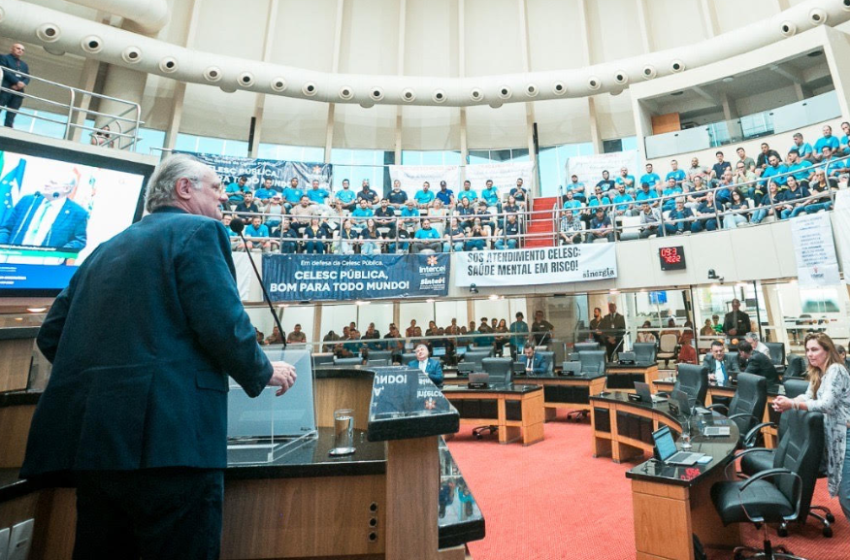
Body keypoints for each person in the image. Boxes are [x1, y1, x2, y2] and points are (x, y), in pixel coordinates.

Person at [19, 155, 296, 559]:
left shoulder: (104, 248)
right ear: (185, 189)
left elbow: (52, 335)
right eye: (216, 188)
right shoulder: (200, 232)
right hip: (172, 440)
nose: (224, 198)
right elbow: (221, 320)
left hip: (96, 445)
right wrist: (263, 368)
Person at [772, 332, 850, 523]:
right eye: (807, 350)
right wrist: (787, 401)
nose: (810, 354)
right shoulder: (819, 373)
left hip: (846, 437)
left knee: (847, 494)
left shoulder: (836, 370)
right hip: (834, 438)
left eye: (815, 349)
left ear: (827, 350)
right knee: (844, 492)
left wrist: (793, 405)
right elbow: (808, 396)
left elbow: (826, 405)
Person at [0, 171, 89, 251]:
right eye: (47, 181)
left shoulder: (77, 213)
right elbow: (6, 228)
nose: (46, 184)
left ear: (66, 188)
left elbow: (79, 241)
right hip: (12, 258)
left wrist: (57, 252)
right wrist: (3, 248)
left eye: (52, 183)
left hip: (47, 264)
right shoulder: (28, 201)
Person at [0, 43, 30, 128]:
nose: (20, 51)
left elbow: (27, 76)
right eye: (18, 48)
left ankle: (8, 128)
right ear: (12, 49)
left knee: (12, 112)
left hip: (18, 91)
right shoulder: (4, 58)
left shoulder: (24, 64)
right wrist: (17, 82)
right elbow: (5, 71)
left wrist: (23, 83)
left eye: (22, 50)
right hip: (5, 88)